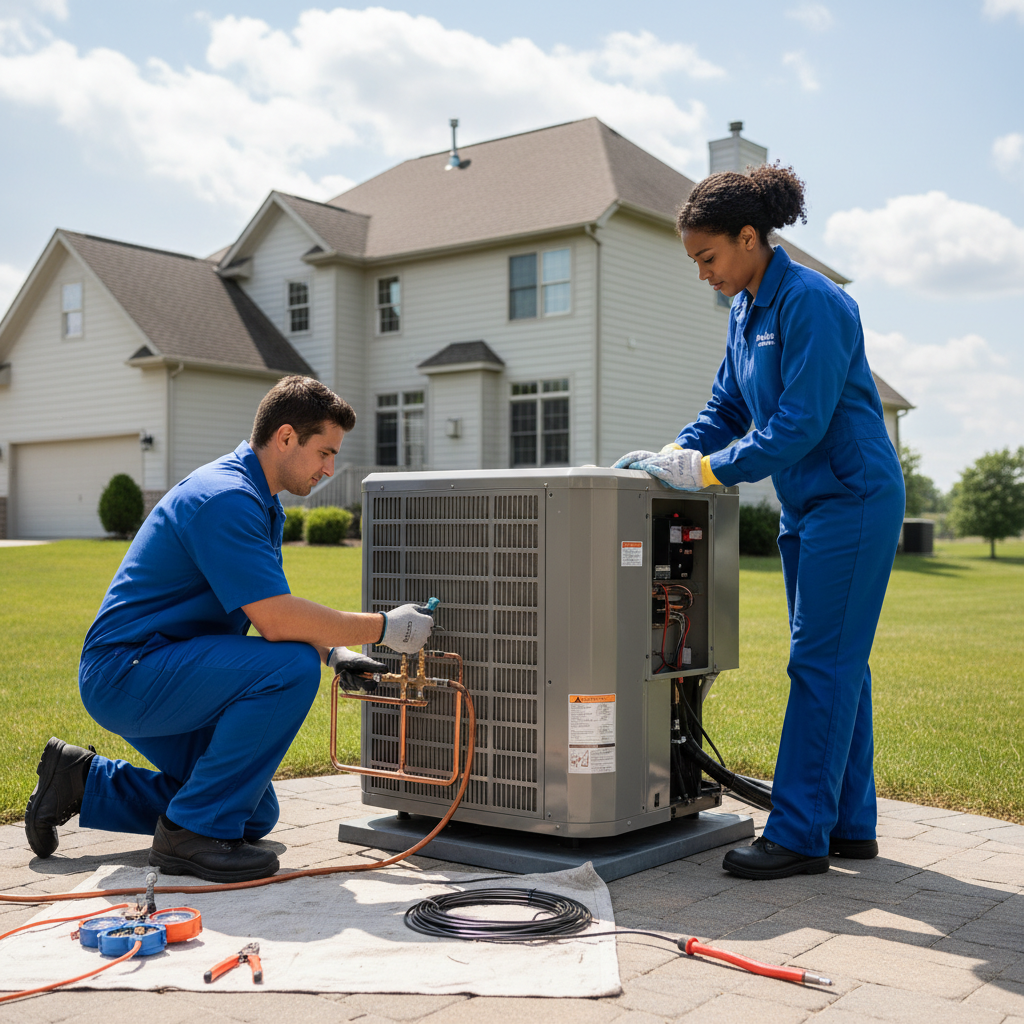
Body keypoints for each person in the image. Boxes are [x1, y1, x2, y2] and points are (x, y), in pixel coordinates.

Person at [24, 376, 435, 882]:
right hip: (127, 673)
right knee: (290, 669)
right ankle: (189, 837)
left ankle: (82, 783)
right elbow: (279, 621)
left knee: (253, 813)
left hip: (164, 668)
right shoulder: (225, 498)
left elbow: (271, 609)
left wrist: (338, 654)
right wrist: (384, 627)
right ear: (286, 437)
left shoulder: (259, 501)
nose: (330, 468)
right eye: (325, 452)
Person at [614, 165, 905, 880]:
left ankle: (801, 834)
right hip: (808, 506)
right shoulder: (746, 310)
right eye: (695, 262)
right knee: (842, 665)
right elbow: (727, 410)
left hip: (854, 496)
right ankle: (848, 822)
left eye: (708, 257)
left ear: (750, 238)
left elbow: (800, 424)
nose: (703, 274)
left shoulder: (814, 303)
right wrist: (678, 451)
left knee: (819, 662)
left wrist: (707, 473)